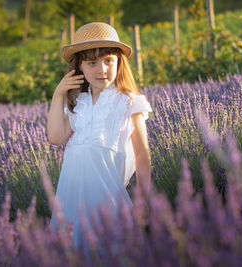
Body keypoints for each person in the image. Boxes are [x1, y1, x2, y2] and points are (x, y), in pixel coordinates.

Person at [46, 22, 153, 255]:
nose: (101, 69)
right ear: (80, 67)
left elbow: (142, 155)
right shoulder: (78, 104)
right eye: (92, 63)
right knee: (73, 253)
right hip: (71, 198)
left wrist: (143, 199)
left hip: (107, 199)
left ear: (118, 62)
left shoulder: (129, 102)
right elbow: (55, 137)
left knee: (112, 253)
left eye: (108, 61)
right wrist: (58, 94)